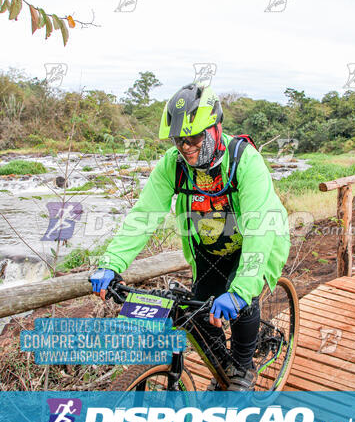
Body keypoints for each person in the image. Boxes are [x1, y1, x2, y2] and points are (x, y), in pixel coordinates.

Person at [90, 82, 291, 390]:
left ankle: (242, 368)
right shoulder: (174, 165)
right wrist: (111, 263)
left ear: (216, 128)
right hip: (211, 248)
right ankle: (222, 365)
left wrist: (241, 290)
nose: (185, 146)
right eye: (179, 139)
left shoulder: (246, 162)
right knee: (196, 309)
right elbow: (143, 216)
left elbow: (260, 230)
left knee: (244, 300)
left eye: (194, 137)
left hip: (258, 241)